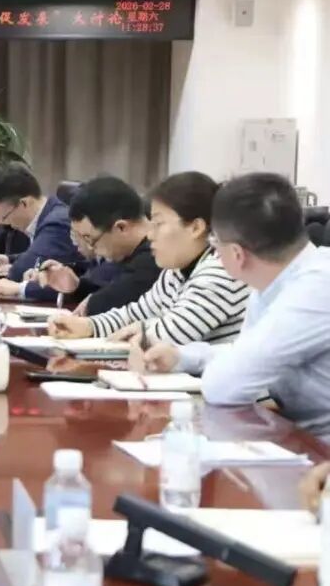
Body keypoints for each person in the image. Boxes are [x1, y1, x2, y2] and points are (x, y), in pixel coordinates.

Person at [131, 174, 330, 433]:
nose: (214, 253)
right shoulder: (274, 281)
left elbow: (223, 386)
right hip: (298, 435)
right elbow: (246, 352)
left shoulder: (316, 290)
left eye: (215, 244)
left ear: (237, 254)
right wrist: (181, 357)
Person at [49, 172, 249, 345]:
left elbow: (171, 335)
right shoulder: (176, 271)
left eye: (159, 224)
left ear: (195, 228)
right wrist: (87, 326)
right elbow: (137, 313)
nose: (150, 235)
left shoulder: (221, 271)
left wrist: (140, 329)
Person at [26, 176, 160, 316]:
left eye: (90, 239)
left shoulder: (155, 256)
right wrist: (76, 286)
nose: (91, 249)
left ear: (121, 227)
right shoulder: (129, 254)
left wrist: (91, 303)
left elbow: (113, 300)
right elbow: (109, 290)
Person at [0, 164, 82, 301]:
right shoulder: (48, 214)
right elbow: (34, 257)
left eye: (6, 220)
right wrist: (1, 260)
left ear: (24, 203)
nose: (10, 228)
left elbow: (21, 270)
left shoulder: (56, 224)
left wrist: (17, 280)